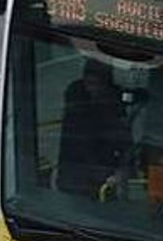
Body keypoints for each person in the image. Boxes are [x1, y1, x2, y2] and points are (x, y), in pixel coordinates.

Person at [56, 58, 130, 199]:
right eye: (89, 83)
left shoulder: (112, 103)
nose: (93, 89)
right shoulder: (78, 105)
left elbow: (124, 139)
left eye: (98, 84)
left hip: (101, 174)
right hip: (77, 175)